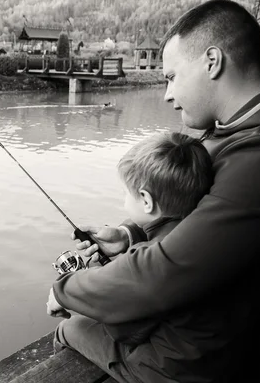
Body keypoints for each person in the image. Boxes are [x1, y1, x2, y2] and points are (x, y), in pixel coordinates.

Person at [47, 0, 260, 383]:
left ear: (212, 62)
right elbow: (203, 212)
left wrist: (66, 290)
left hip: (256, 357)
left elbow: (161, 275)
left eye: (171, 77)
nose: (166, 94)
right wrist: (131, 232)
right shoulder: (244, 128)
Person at [48, 131, 216, 382]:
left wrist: (77, 287)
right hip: (213, 352)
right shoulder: (205, 230)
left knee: (69, 328)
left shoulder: (155, 257)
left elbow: (127, 332)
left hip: (170, 370)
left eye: (127, 194)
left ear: (146, 201)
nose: (124, 201)